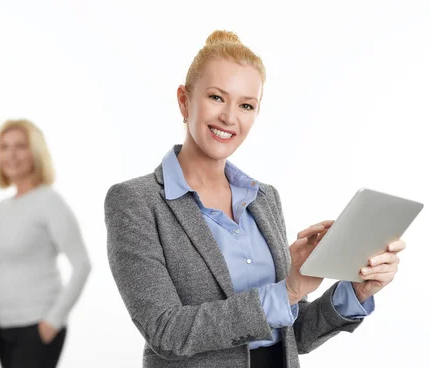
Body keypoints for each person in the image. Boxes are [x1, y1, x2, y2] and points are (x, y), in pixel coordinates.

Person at [104, 31, 405, 368]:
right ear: (184, 100)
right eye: (217, 97)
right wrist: (287, 291)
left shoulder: (264, 199)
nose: (230, 117)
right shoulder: (137, 202)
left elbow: (295, 335)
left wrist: (357, 290)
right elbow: (166, 332)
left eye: (246, 105)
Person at [0, 119, 92, 368]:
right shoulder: (3, 206)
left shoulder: (49, 202)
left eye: (20, 146)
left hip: (37, 325)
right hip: (3, 326)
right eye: (4, 147)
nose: (11, 155)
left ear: (36, 152)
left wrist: (53, 320)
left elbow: (82, 264)